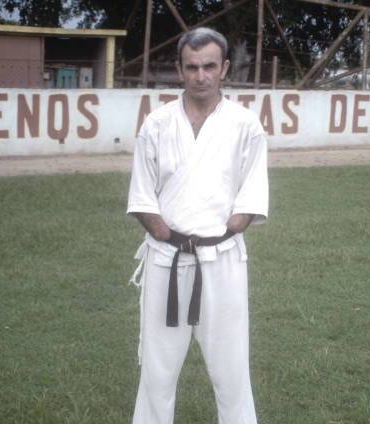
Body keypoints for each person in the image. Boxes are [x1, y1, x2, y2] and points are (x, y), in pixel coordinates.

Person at [126, 27, 269, 424]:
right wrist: (170, 236)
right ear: (179, 69)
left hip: (222, 260)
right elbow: (141, 195)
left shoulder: (245, 126)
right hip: (166, 259)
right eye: (192, 67)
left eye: (209, 66)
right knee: (157, 370)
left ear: (224, 68)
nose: (201, 76)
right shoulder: (156, 124)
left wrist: (216, 235)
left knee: (231, 368)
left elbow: (252, 195)